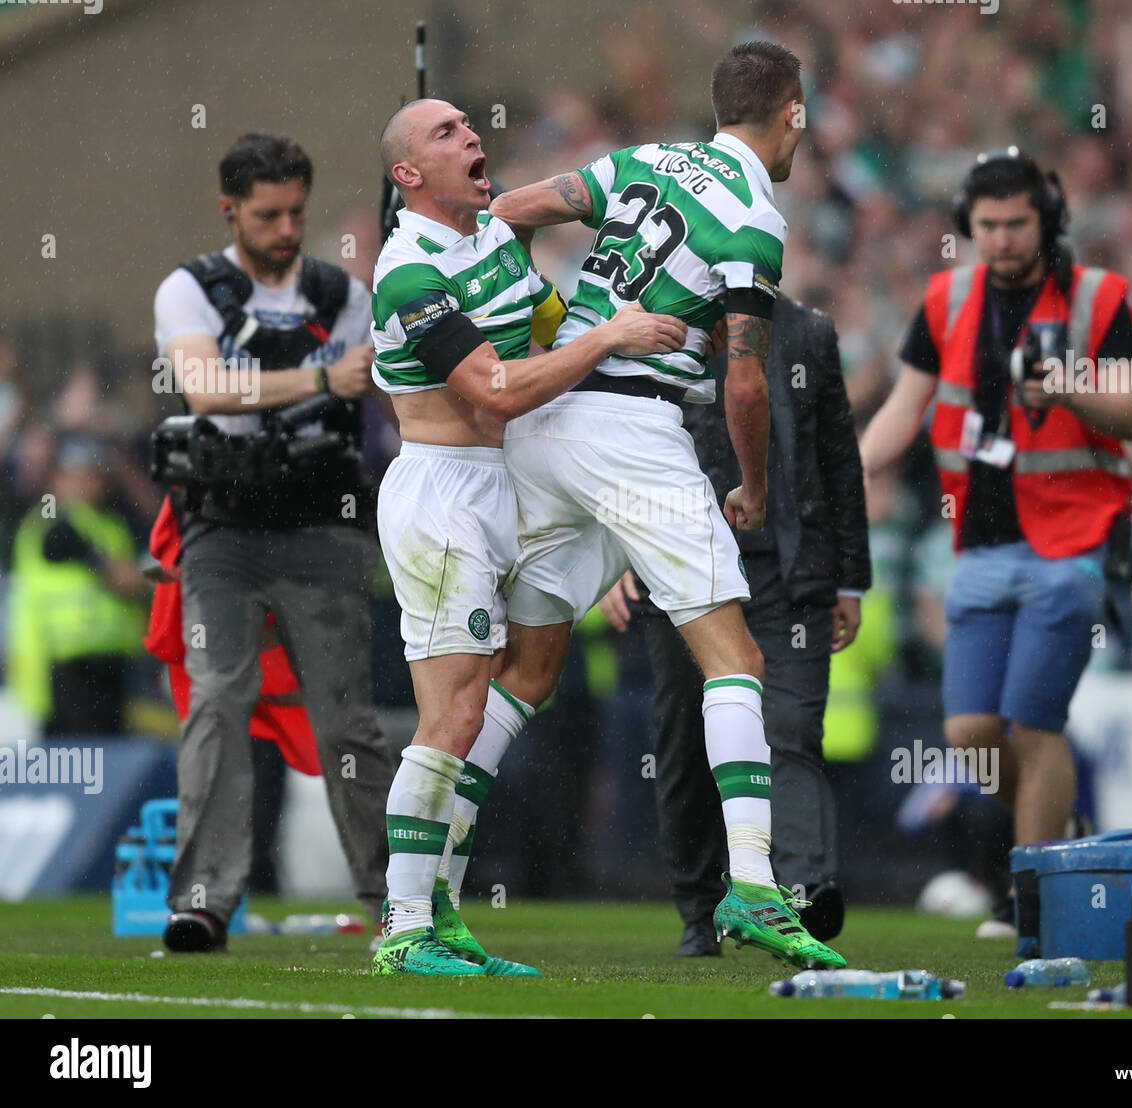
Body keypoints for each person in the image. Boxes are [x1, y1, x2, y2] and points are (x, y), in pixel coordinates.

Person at [460, 40, 845, 971]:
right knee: (736, 658)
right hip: (635, 430)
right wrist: (751, 487)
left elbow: (507, 212)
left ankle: (426, 881)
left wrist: (543, 322)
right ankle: (754, 889)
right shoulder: (755, 217)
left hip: (550, 420)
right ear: (791, 112)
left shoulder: (645, 161)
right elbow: (745, 387)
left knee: (527, 672)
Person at [367, 98, 687, 976]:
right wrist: (616, 334)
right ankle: (401, 928)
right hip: (442, 499)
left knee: (510, 693)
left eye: (469, 126)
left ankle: (443, 913)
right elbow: (500, 390)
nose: (471, 137)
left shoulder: (493, 238)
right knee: (455, 712)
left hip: (512, 483)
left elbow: (548, 331)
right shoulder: (408, 274)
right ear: (406, 176)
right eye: (445, 134)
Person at [859, 147, 1132, 937]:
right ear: (967, 226)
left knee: (1032, 725)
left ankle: (1029, 902)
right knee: (970, 734)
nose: (1003, 238)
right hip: (979, 544)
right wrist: (852, 470)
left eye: (1017, 223)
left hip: (1073, 542)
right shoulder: (947, 299)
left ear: (1045, 220)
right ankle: (1058, 843)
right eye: (987, 225)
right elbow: (903, 408)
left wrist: (1070, 387)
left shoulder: (1099, 298)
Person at [152, 133, 395, 952]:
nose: (287, 227)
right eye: (268, 215)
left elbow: (391, 392)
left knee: (346, 725)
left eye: (297, 210)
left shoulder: (344, 292)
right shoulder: (191, 290)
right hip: (221, 530)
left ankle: (396, 901)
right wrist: (324, 378)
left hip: (323, 528)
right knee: (218, 699)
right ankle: (203, 902)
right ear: (232, 210)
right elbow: (208, 392)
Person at [599, 292, 871, 955]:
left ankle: (803, 894)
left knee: (792, 730)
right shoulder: (647, 327)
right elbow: (604, 443)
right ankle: (700, 911)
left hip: (790, 570)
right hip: (677, 562)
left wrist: (849, 577)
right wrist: (611, 555)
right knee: (685, 743)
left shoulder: (807, 331)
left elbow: (838, 454)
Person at [8, 436, 148, 736]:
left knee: (106, 760)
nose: (93, 481)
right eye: (83, 473)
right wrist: (108, 568)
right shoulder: (50, 519)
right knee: (80, 760)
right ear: (60, 477)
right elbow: (61, 542)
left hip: (111, 660)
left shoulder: (108, 521)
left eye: (97, 473)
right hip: (65, 664)